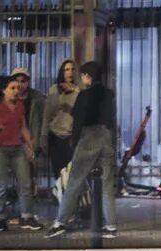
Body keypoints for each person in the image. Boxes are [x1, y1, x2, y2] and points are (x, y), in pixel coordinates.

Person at [48, 61, 118, 238]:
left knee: (74, 181)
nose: (81, 79)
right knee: (107, 184)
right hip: (107, 137)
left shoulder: (84, 96)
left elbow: (78, 121)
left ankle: (60, 222)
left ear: (87, 76)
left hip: (89, 136)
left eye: (82, 75)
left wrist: (76, 143)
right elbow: (112, 118)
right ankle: (111, 226)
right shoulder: (109, 94)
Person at [0, 75, 41, 231]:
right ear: (3, 90)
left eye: (18, 87)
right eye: (13, 88)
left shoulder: (20, 106)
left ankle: (27, 217)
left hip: (17, 148)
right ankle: (0, 218)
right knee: (2, 184)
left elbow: (23, 127)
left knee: (25, 183)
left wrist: (30, 146)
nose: (17, 90)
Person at [41, 59, 80, 183]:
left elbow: (83, 111)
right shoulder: (54, 90)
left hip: (71, 136)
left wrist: (76, 92)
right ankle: (61, 199)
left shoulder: (80, 91)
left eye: (72, 69)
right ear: (61, 72)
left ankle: (70, 201)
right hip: (56, 135)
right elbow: (47, 115)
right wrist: (44, 136)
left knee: (72, 174)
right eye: (66, 70)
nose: (70, 72)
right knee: (59, 173)